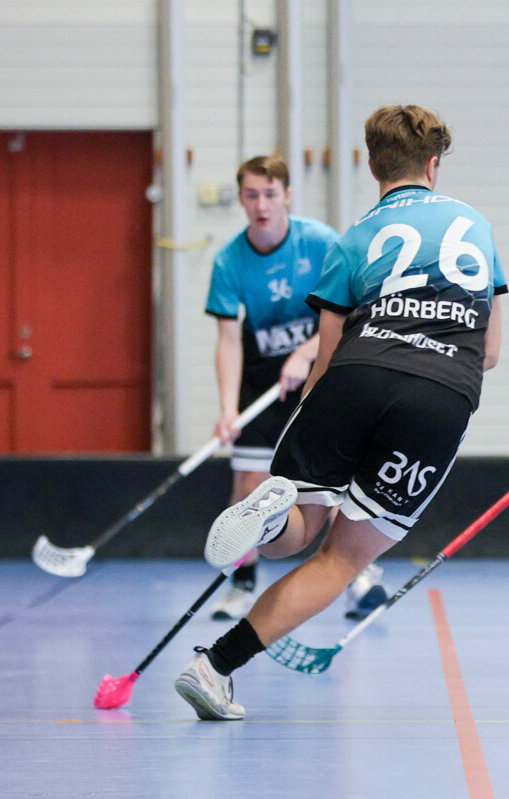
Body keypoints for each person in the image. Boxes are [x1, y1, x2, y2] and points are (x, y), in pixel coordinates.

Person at [175, 104, 507, 720]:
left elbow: (325, 359)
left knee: (297, 534)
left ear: (372, 166)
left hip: (355, 375)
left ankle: (266, 531)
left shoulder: (351, 239)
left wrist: (308, 434)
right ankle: (212, 667)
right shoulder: (476, 226)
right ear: (433, 164)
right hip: (439, 394)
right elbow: (489, 353)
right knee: (342, 558)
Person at [204, 155, 386, 620]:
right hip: (261, 382)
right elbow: (228, 339)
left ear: (286, 195)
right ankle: (241, 583)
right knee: (249, 485)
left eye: (270, 194)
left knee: (335, 482)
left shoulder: (320, 242)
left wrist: (306, 354)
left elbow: (351, 310)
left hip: (323, 371)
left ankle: (357, 576)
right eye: (251, 195)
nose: (261, 205)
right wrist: (227, 408)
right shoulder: (228, 261)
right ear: (241, 199)